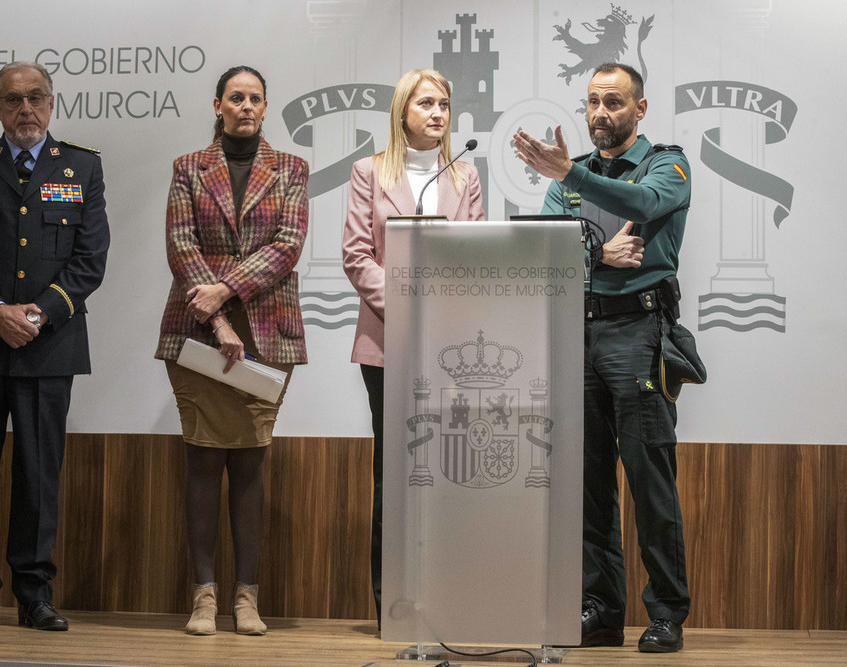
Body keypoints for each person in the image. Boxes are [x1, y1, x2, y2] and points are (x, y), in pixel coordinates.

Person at [513, 62, 691, 653]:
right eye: (592, 102)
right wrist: (594, 255)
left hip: (640, 332)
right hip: (580, 332)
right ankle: (602, 609)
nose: (600, 113)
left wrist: (572, 182)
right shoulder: (573, 175)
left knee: (649, 481)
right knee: (588, 483)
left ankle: (665, 613)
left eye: (614, 102)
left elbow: (641, 201)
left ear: (639, 109)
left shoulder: (666, 163)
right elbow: (544, 250)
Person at [0, 61, 110, 631]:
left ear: (52, 103)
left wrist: (38, 313)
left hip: (47, 345)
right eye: (13, 100)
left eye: (35, 98)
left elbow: (89, 260)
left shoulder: (82, 165)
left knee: (38, 476)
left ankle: (35, 595)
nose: (25, 109)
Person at [154, 65, 309, 636]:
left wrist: (227, 288)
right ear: (217, 104)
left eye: (255, 98)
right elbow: (180, 243)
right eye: (235, 97)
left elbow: (288, 245)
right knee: (201, 457)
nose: (246, 106)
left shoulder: (291, 169)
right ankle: (202, 595)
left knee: (249, 462)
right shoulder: (188, 168)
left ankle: (247, 597)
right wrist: (217, 316)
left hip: (268, 335)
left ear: (266, 108)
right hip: (197, 335)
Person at [341, 68, 485, 629]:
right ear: (403, 112)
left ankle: (448, 596)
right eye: (426, 103)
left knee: (446, 472)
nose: (438, 113)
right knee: (395, 474)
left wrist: (441, 317)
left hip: (449, 351)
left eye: (445, 104)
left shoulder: (465, 173)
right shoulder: (368, 172)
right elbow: (358, 256)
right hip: (389, 346)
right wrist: (410, 309)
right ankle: (392, 604)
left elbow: (471, 255)